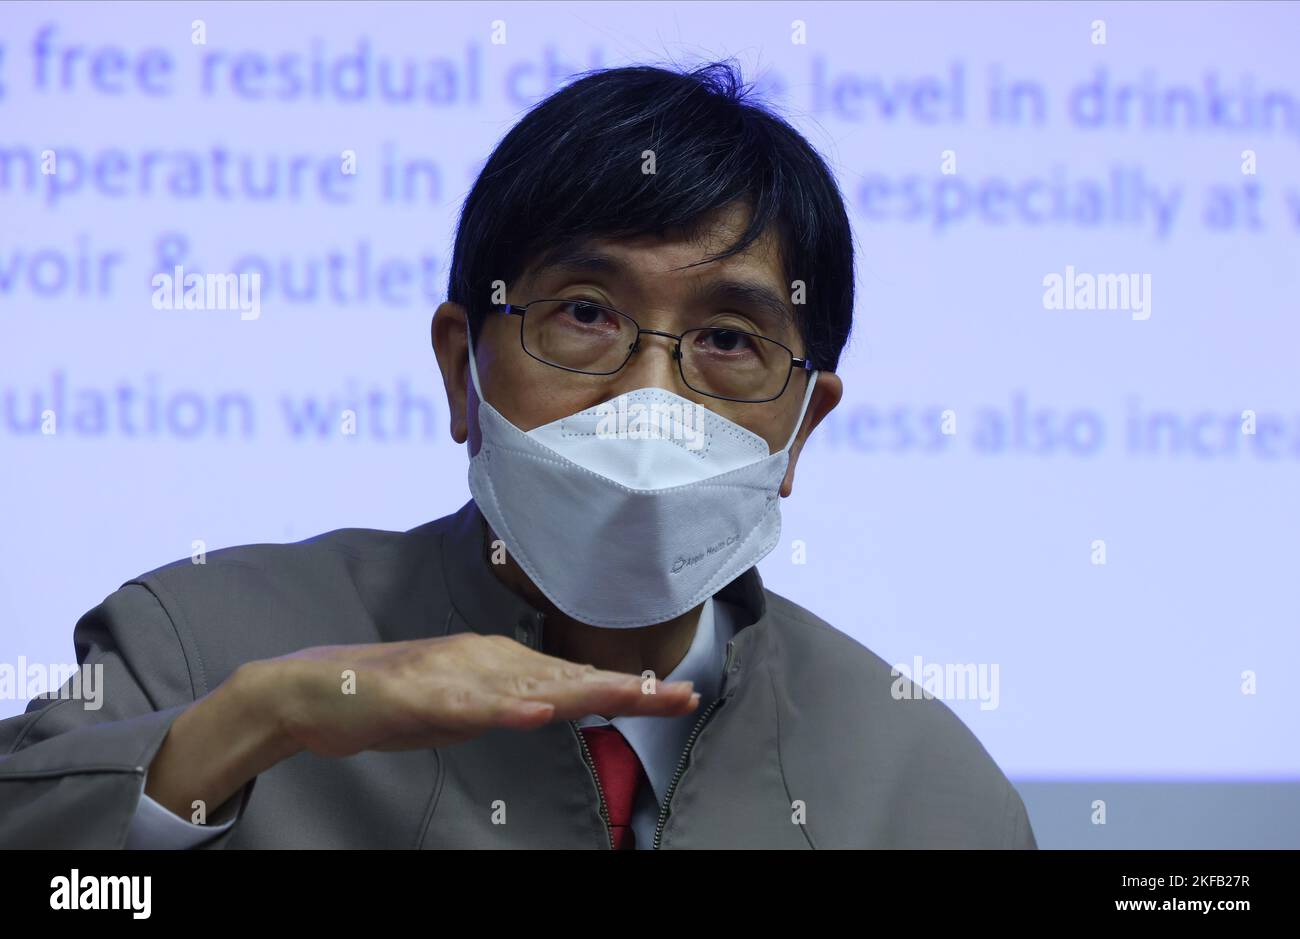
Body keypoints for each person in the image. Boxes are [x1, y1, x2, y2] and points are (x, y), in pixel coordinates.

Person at [0, 61, 1035, 849]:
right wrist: (256, 723)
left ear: (803, 425)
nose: (648, 402)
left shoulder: (924, 788)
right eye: (585, 314)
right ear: (462, 369)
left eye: (728, 340)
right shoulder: (195, 643)